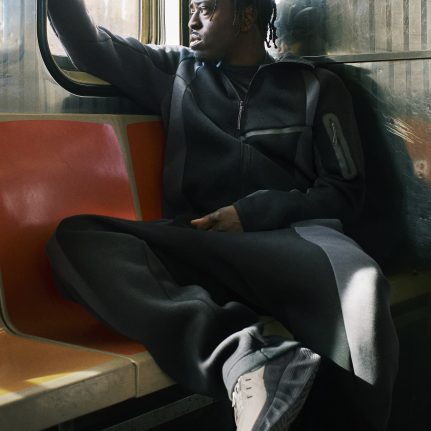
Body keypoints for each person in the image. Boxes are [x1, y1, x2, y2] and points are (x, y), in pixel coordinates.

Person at [46, 1, 399, 430]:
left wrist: (252, 213)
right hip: (200, 240)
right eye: (191, 7)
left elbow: (344, 192)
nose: (191, 20)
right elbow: (88, 46)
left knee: (363, 289)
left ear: (246, 17)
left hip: (292, 240)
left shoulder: (317, 86)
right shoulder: (175, 72)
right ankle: (247, 360)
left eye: (206, 8)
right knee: (77, 239)